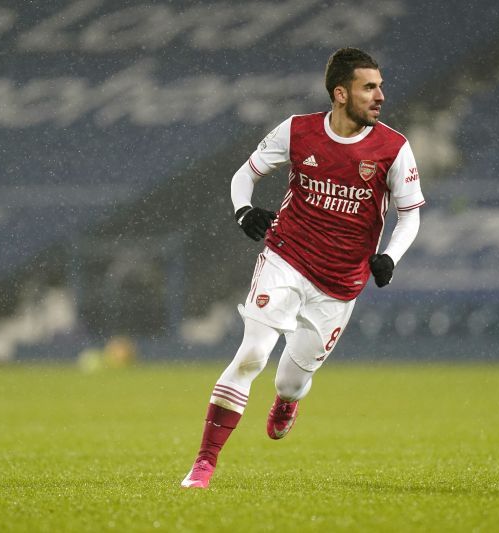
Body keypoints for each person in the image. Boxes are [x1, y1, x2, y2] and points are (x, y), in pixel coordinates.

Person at [181, 47, 425, 489]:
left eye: (381, 86)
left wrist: (391, 256)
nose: (380, 95)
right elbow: (245, 174)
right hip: (286, 256)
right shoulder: (297, 131)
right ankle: (203, 464)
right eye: (369, 87)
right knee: (253, 352)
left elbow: (410, 214)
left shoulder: (393, 148)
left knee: (291, 382)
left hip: (339, 283)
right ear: (340, 93)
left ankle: (287, 401)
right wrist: (243, 210)